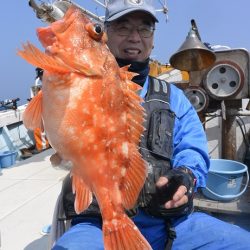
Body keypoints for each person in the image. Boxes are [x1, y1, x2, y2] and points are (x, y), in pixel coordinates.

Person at [52, 0, 250, 249]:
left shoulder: (174, 97)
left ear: (153, 38)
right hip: (98, 222)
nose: (135, 37)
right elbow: (56, 126)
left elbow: (193, 148)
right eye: (123, 28)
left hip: (169, 223)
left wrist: (186, 176)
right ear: (106, 34)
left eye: (144, 29)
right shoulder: (81, 84)